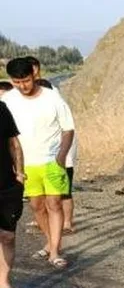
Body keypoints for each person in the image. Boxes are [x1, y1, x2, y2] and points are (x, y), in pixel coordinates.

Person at [1, 56, 74, 269]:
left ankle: (54, 251)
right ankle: (50, 241)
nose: (23, 86)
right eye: (17, 81)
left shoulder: (53, 98)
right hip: (26, 164)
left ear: (34, 75)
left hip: (52, 161)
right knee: (36, 206)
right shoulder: (8, 101)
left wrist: (62, 156)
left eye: (26, 80)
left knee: (54, 204)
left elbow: (68, 129)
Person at [28, 57, 77, 232]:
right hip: (40, 160)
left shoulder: (56, 101)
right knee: (42, 198)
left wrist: (63, 157)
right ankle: (48, 224)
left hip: (61, 158)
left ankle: (67, 223)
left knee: (63, 194)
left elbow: (68, 133)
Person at [0, 92, 23, 288]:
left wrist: (21, 173)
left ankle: (4, 284)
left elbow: (13, 143)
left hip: (7, 185)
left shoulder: (1, 108)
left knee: (7, 236)